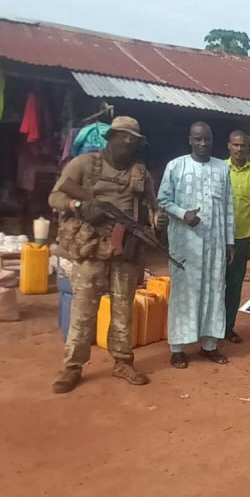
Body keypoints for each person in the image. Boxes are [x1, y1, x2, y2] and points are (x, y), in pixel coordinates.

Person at [48, 116, 157, 393]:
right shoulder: (85, 164)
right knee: (83, 311)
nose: (128, 143)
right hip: (91, 247)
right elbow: (55, 197)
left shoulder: (140, 173)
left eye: (133, 139)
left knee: (123, 311)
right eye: (123, 137)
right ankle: (73, 367)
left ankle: (123, 362)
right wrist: (79, 206)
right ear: (111, 137)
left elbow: (152, 208)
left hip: (124, 252)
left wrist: (157, 222)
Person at [158, 122, 234, 369]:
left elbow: (228, 206)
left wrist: (229, 241)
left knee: (214, 291)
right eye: (198, 139)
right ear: (190, 140)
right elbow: (163, 199)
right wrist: (182, 214)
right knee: (183, 293)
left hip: (215, 244)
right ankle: (178, 348)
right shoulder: (176, 166)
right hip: (185, 244)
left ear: (212, 141)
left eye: (207, 139)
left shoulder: (222, 168)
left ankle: (209, 345)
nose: (203, 144)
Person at [224, 130, 250, 344]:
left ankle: (228, 327)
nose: (239, 149)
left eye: (243, 146)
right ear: (229, 146)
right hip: (219, 238)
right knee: (214, 284)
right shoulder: (219, 168)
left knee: (235, 284)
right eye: (235, 145)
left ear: (248, 148)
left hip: (241, 239)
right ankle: (212, 327)